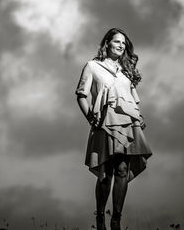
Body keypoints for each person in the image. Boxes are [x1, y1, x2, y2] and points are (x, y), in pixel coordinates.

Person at [75, 28, 152, 230]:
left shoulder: (126, 73)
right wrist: (90, 116)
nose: (121, 46)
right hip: (104, 123)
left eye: (124, 44)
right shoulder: (93, 66)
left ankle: (116, 219)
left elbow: (131, 100)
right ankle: (100, 217)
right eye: (117, 42)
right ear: (107, 43)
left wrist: (138, 116)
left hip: (127, 125)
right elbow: (81, 94)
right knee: (106, 172)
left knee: (122, 170)